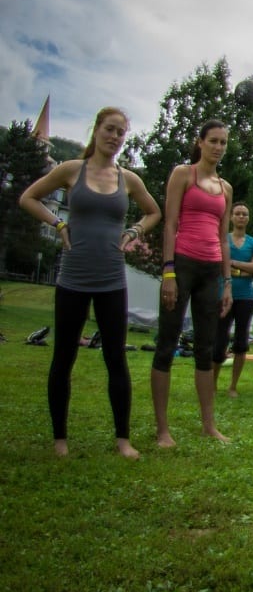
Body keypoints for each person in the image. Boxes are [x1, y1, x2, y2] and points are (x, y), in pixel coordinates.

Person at [19, 107, 161, 458]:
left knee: (116, 358)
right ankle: (60, 440)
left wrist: (134, 230)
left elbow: (153, 211)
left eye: (121, 133)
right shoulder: (71, 170)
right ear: (96, 130)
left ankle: (123, 439)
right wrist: (59, 224)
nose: (115, 137)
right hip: (73, 278)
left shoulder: (128, 178)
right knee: (63, 356)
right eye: (110, 130)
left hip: (112, 279)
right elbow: (28, 197)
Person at [152, 120, 233, 446]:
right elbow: (170, 225)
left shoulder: (225, 188)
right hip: (182, 265)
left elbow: (224, 238)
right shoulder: (183, 175)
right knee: (167, 344)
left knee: (206, 347)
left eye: (223, 142)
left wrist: (227, 282)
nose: (218, 147)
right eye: (213, 140)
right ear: (200, 142)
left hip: (211, 269)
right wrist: (168, 272)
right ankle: (162, 430)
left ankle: (209, 425)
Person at [214, 201, 253, 396]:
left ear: (248, 218)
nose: (241, 217)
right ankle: (213, 383)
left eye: (245, 214)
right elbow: (218, 264)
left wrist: (232, 263)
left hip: (245, 297)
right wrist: (244, 269)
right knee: (219, 340)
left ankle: (233, 386)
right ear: (231, 217)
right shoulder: (223, 239)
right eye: (238, 213)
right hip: (222, 295)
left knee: (241, 341)